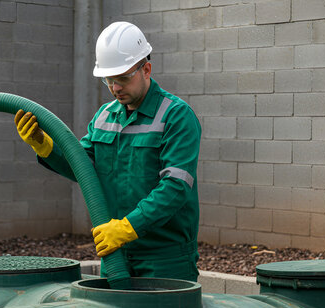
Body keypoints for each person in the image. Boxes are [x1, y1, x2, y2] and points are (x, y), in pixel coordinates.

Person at [14, 21, 201, 281]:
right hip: (115, 254)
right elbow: (82, 168)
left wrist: (128, 227)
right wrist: (44, 145)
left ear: (146, 69)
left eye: (123, 78)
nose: (115, 88)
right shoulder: (104, 116)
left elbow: (176, 186)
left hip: (165, 258)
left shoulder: (176, 116)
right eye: (109, 80)